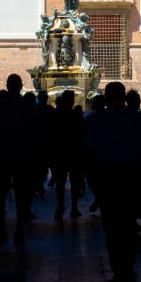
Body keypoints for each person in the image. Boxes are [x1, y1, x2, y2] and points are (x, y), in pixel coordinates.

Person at [83, 81, 141, 282]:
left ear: (106, 96)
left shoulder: (97, 120)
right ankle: (128, 269)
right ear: (123, 97)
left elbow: (89, 152)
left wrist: (93, 183)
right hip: (131, 178)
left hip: (108, 180)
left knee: (112, 230)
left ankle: (118, 272)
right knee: (129, 226)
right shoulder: (138, 119)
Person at [0, 74, 37, 245]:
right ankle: (19, 231)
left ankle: (1, 229)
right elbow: (34, 134)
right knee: (22, 195)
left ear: (7, 86)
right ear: (21, 86)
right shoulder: (29, 107)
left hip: (2, 156)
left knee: (0, 194)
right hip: (23, 156)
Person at [49, 89, 85, 220]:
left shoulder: (55, 114)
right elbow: (82, 133)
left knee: (60, 182)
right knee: (74, 182)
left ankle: (60, 206)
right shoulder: (76, 115)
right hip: (74, 152)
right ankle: (74, 208)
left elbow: (51, 134)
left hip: (60, 152)